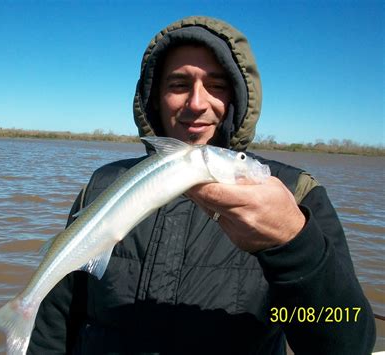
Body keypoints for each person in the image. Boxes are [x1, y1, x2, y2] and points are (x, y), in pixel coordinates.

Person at [28, 16, 375, 354]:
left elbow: (349, 341)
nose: (197, 103)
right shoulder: (104, 183)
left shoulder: (295, 192)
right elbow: (58, 319)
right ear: (154, 97)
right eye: (179, 85)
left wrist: (292, 245)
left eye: (217, 85)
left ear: (238, 98)